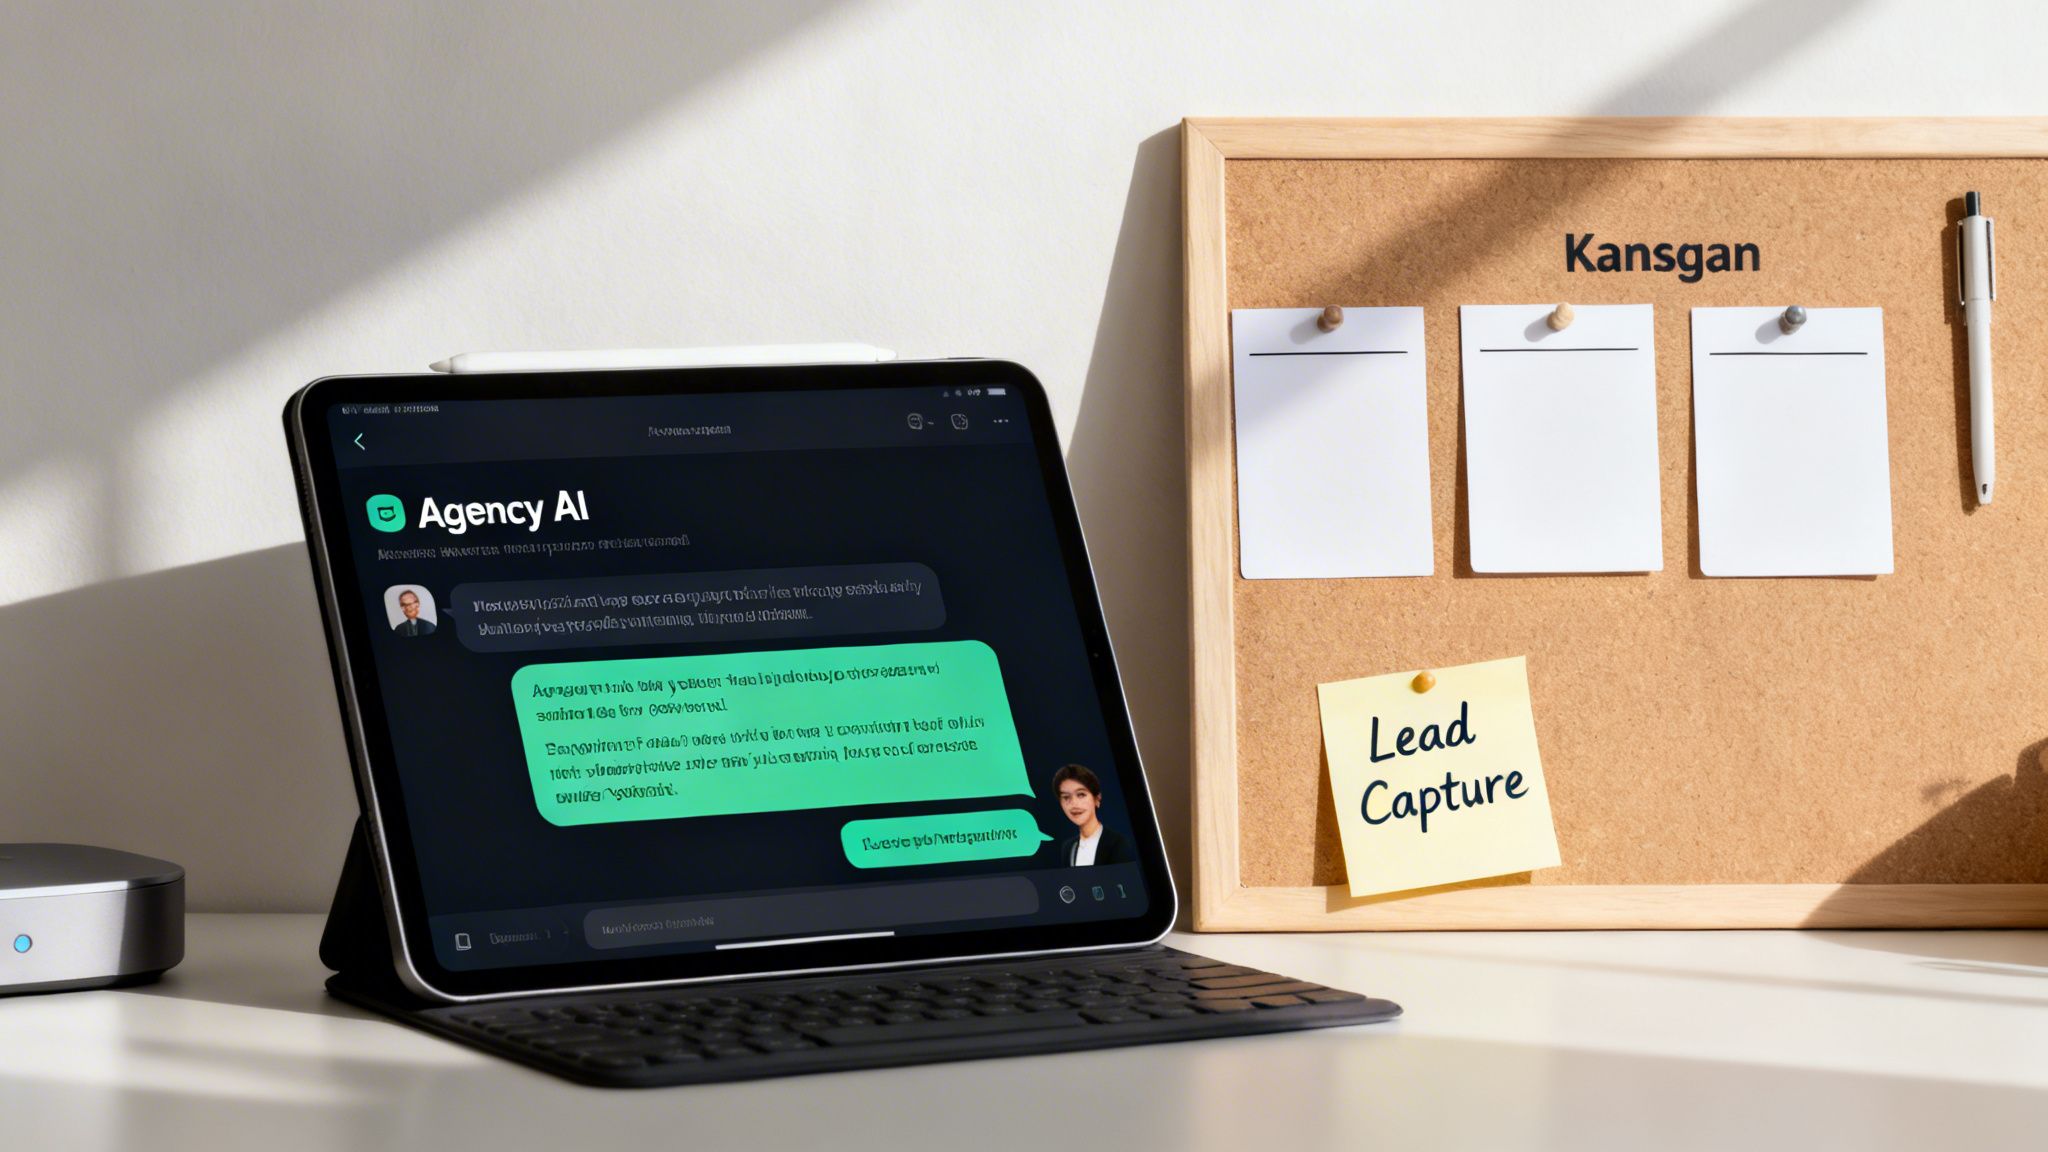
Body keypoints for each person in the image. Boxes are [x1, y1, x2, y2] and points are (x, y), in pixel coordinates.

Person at [1051, 763, 1135, 866]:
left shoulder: (1117, 843)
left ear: (1097, 799)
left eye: (1081, 795)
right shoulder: (1068, 847)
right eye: (1066, 797)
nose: (1074, 804)